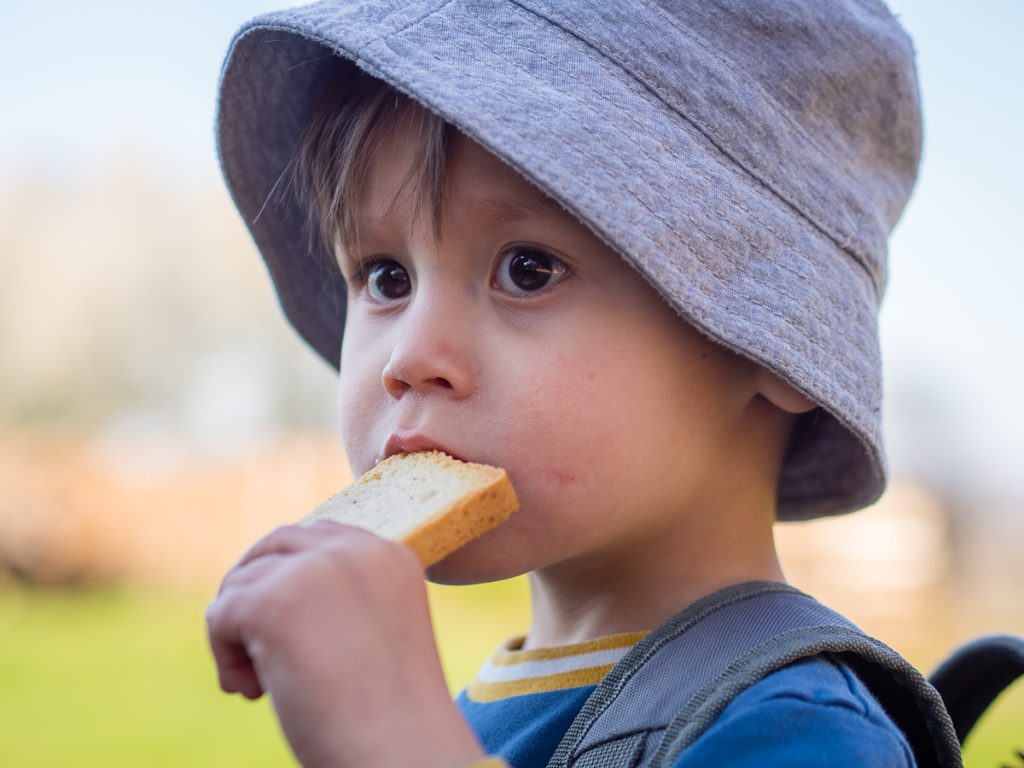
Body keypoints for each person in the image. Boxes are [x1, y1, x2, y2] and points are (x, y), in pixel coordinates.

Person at [207, 2, 929, 765]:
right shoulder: (486, 705)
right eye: (386, 277)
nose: (409, 357)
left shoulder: (796, 729)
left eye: (528, 269)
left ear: (779, 342)